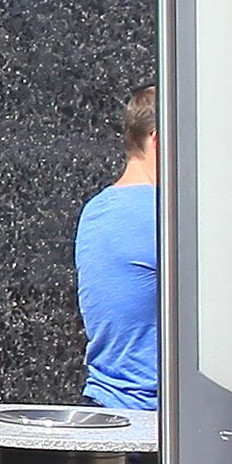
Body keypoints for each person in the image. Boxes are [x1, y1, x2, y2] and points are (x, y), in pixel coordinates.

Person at [76, 83, 161, 414]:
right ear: (158, 140)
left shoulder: (95, 210)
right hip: (159, 426)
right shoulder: (166, 217)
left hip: (107, 409)